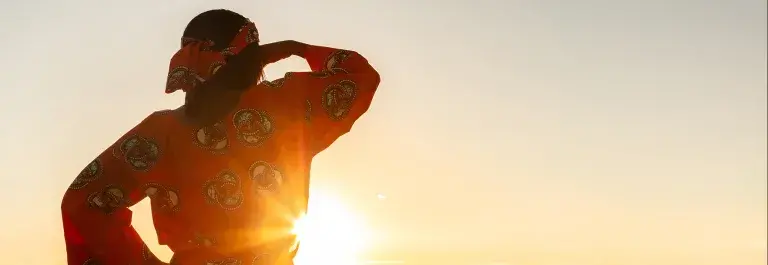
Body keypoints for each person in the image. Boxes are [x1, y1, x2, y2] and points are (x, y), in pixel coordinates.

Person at [60, 9, 380, 265]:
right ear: (253, 59)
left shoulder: (160, 133)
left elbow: (82, 201)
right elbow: (359, 76)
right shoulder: (287, 104)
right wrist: (296, 49)